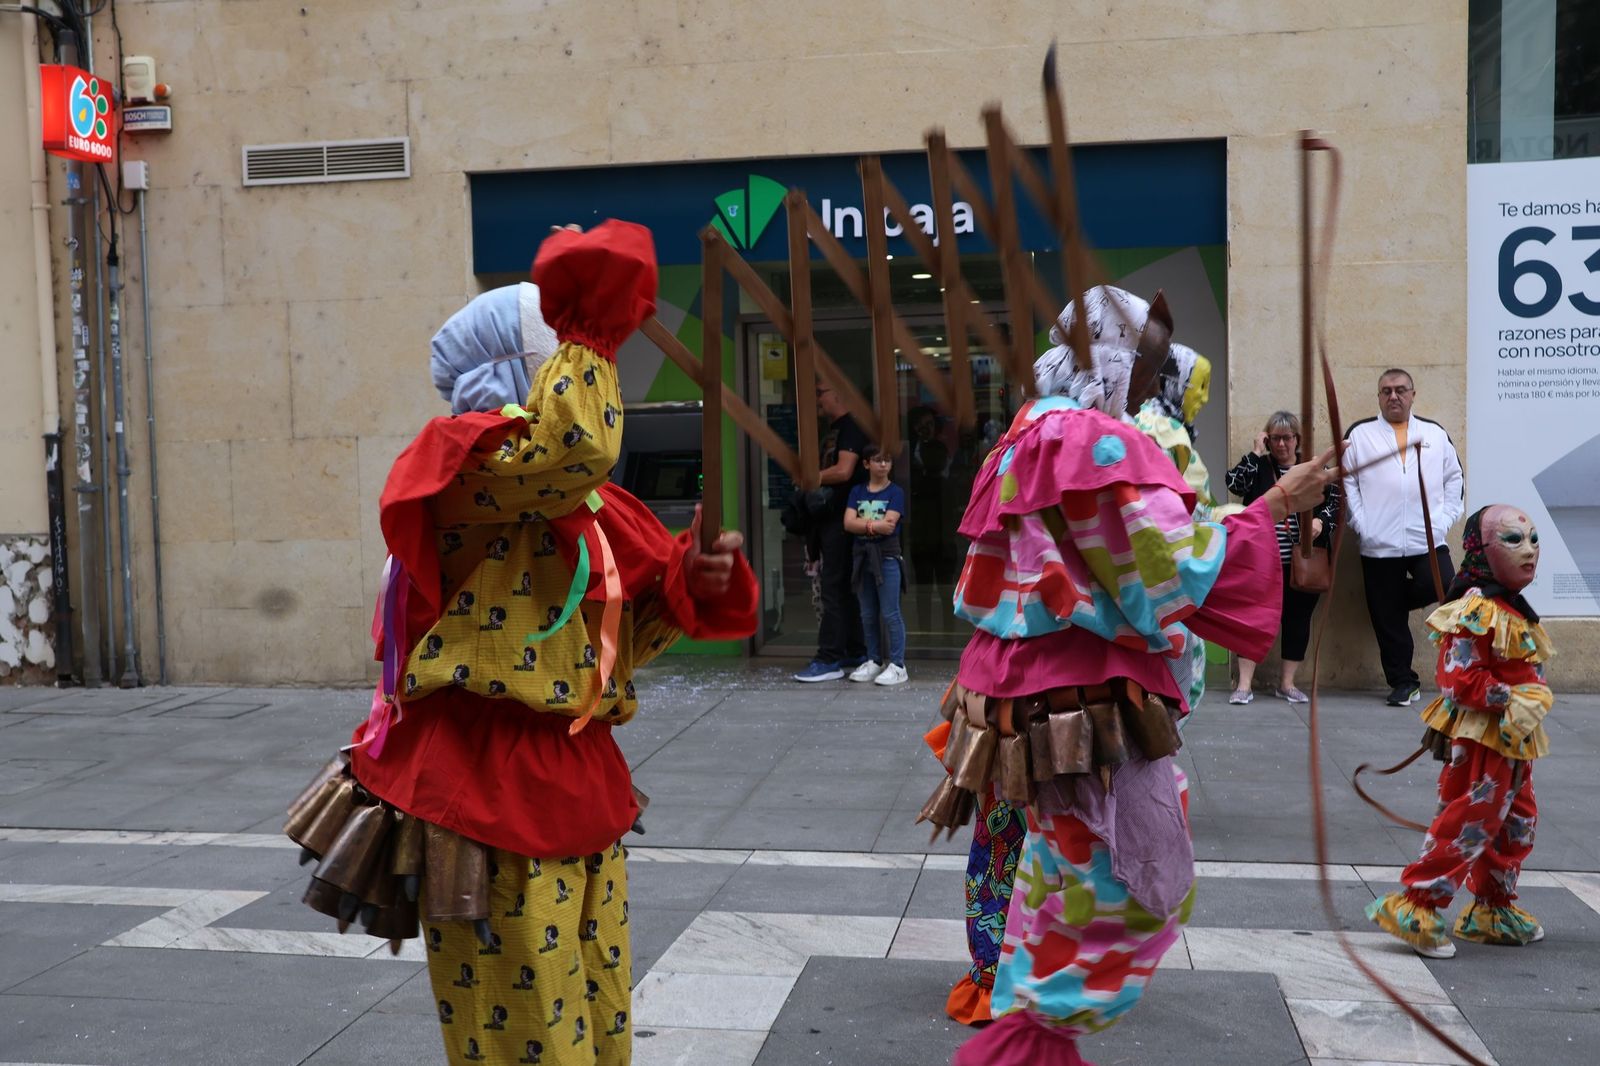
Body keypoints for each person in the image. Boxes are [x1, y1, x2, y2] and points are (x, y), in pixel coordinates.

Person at [282, 221, 760, 1066]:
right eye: (570, 360)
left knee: (601, 1023)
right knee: (527, 1040)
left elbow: (608, 649)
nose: (593, 377)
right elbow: (574, 447)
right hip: (485, 795)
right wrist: (590, 324)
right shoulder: (461, 464)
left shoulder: (591, 509)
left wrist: (693, 590)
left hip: (577, 779)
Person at [927, 301, 1338, 1062]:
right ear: (1114, 360)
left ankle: (1029, 1028)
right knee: (1134, 882)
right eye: (1149, 364)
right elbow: (1167, 573)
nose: (1152, 383)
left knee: (1050, 875)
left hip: (1029, 694)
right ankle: (1032, 1040)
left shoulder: (1028, 429)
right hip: (1077, 703)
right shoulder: (1086, 438)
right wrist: (1277, 504)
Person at [1367, 504, 1553, 959]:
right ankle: (1418, 905)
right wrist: (1511, 698)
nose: (1528, 550)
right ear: (1482, 551)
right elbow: (1458, 676)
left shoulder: (1512, 607)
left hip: (1516, 739)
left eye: (1533, 539)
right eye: (1513, 540)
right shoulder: (1476, 609)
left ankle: (1492, 908)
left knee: (1518, 821)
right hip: (1485, 738)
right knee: (1471, 820)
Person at [1343, 368, 1463, 706]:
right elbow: (1346, 481)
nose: (1393, 396)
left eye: (1400, 390)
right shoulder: (1361, 434)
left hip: (1427, 537)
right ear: (1378, 396)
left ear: (1413, 394)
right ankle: (1402, 682)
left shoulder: (1434, 434)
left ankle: (1392, 603)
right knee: (1387, 621)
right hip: (1378, 543)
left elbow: (1455, 478)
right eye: (1386, 391)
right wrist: (1361, 522)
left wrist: (1443, 521)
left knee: (1441, 586)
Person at [1224, 411, 1342, 703]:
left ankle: (1287, 684)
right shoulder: (1259, 467)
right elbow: (1234, 484)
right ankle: (1244, 685)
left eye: (1286, 438)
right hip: (1260, 559)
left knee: (1298, 620)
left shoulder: (1310, 468)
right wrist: (1255, 452)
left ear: (1297, 439)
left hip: (1300, 561)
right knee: (1251, 619)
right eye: (1275, 438)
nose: (1281, 445)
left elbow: (1336, 501)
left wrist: (1321, 523)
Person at [793, 381, 869, 682]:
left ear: (839, 394)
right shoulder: (838, 428)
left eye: (820, 392)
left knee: (833, 588)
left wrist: (809, 478)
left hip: (840, 522)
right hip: (832, 522)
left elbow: (844, 470)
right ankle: (852, 649)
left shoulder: (850, 427)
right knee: (841, 588)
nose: (816, 399)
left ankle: (829, 658)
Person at [844, 444, 909, 685]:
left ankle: (898, 664)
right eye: (878, 460)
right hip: (862, 557)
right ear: (866, 463)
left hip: (888, 557)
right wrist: (874, 526)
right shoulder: (857, 491)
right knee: (868, 613)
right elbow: (847, 523)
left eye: (887, 460)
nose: (883, 464)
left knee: (891, 612)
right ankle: (874, 660)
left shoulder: (896, 492)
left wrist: (863, 524)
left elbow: (889, 525)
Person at [907, 406, 956, 631]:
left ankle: (948, 634)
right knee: (923, 591)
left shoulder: (938, 449)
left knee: (947, 591)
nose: (925, 430)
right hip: (920, 533)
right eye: (921, 426)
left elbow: (934, 466)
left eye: (930, 425)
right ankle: (924, 633)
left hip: (943, 533)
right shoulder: (908, 455)